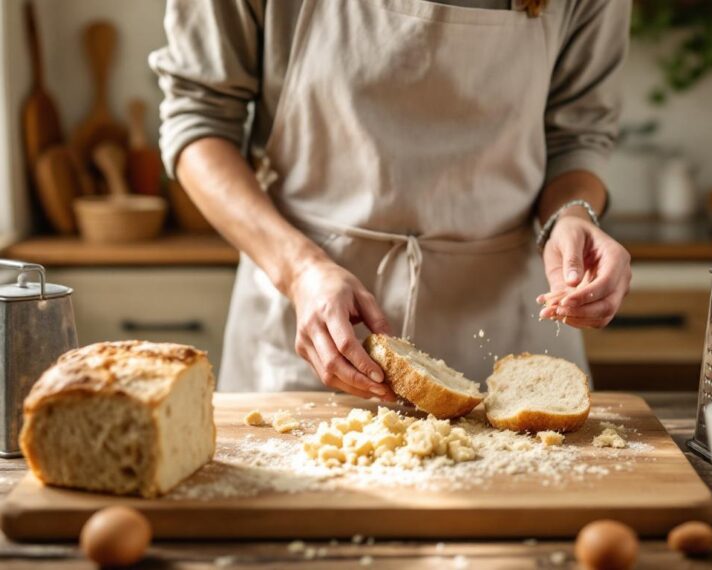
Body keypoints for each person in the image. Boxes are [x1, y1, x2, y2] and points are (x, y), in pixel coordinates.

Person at [150, 0, 632, 399]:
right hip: (312, 327)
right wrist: (300, 272)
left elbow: (578, 137)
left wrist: (572, 216)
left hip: (508, 328)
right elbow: (199, 123)